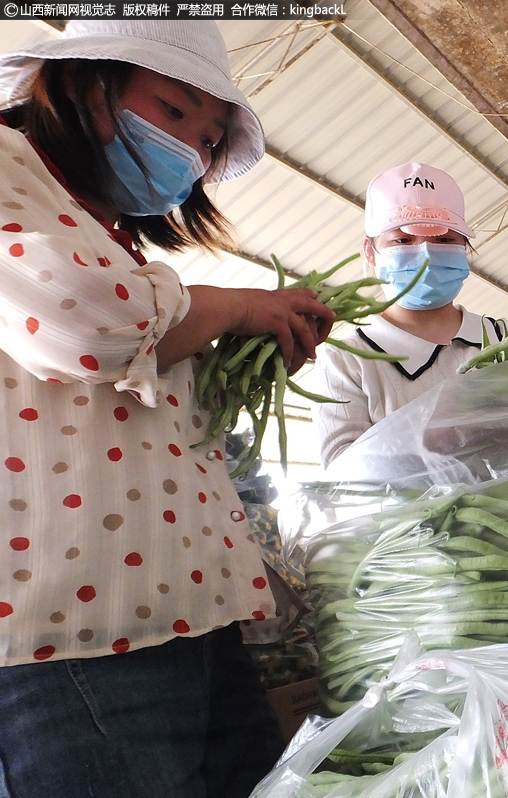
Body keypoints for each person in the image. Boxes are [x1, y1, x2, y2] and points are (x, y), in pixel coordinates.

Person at [0, 21, 336, 797]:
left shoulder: (121, 250)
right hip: (70, 643)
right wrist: (234, 307)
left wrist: (233, 363)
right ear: (90, 86)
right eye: (174, 111)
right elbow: (86, 323)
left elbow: (149, 414)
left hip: (191, 621)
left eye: (209, 138)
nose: (190, 147)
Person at [313, 161, 508, 467]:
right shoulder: (346, 359)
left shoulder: (507, 338)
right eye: (402, 240)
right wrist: (443, 428)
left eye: (444, 240)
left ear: (464, 248)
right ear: (370, 251)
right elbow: (342, 473)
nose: (426, 253)